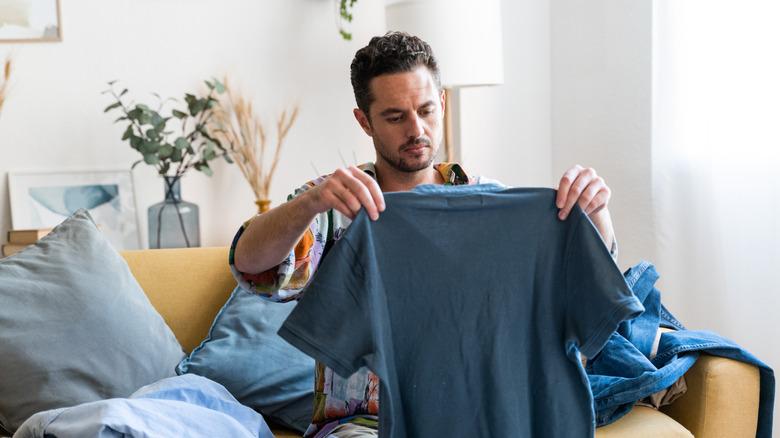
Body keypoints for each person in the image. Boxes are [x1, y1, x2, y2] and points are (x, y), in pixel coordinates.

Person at [230, 31, 617, 438]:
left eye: (427, 110)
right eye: (395, 117)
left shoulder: (491, 205)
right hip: (361, 426)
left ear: (443, 104)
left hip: (474, 418)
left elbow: (576, 282)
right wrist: (308, 205)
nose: (416, 129)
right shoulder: (334, 205)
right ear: (364, 121)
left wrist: (597, 214)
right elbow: (251, 265)